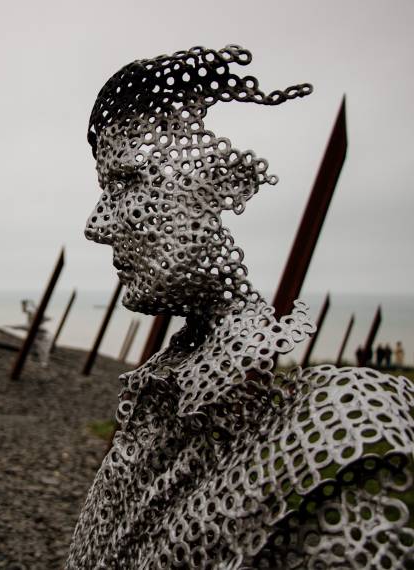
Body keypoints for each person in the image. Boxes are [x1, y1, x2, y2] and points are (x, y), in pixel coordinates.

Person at [67, 45, 414, 569]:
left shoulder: (346, 421)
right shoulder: (151, 410)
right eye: (105, 191)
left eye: (128, 184)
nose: (97, 225)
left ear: (225, 186)